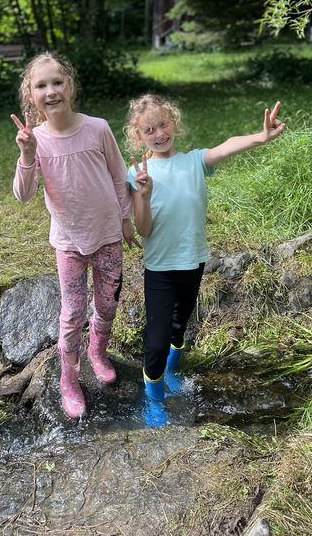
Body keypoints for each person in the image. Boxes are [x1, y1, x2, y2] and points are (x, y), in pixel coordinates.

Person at [124, 93, 285, 407]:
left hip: (193, 262)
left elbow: (227, 146)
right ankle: (154, 402)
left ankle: (171, 370)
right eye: (149, 130)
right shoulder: (139, 175)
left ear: (174, 123)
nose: (159, 134)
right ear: (139, 136)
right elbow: (143, 229)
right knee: (156, 344)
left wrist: (262, 137)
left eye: (163, 124)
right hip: (159, 268)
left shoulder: (194, 161)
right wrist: (143, 195)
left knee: (178, 327)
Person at [11, 52, 137, 420]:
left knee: (108, 304)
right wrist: (27, 154)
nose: (51, 91)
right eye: (41, 85)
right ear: (31, 96)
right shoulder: (35, 140)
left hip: (108, 234)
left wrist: (126, 218)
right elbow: (23, 194)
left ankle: (97, 351)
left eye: (57, 82)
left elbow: (119, 175)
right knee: (72, 313)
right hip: (68, 242)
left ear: (70, 86)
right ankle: (69, 378)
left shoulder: (97, 128)